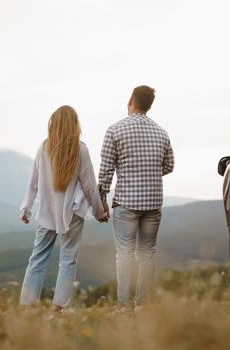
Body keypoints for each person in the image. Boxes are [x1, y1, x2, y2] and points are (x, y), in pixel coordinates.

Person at [19, 105, 107, 311]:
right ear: (75, 125)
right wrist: (99, 212)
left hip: (47, 211)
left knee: (38, 257)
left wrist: (26, 207)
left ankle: (27, 307)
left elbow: (33, 180)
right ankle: (58, 309)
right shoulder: (81, 149)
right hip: (73, 212)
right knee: (68, 260)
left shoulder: (44, 147)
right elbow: (89, 186)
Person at [98, 85, 174, 306]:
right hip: (153, 202)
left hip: (126, 204)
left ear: (131, 100)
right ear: (149, 105)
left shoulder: (115, 130)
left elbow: (105, 171)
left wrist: (102, 199)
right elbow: (169, 165)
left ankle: (123, 306)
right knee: (148, 253)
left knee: (125, 255)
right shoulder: (161, 132)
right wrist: (148, 171)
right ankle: (141, 305)